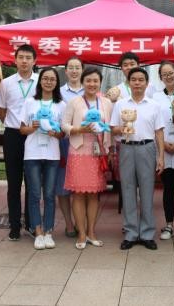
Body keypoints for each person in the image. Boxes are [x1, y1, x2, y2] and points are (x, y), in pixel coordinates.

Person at [110, 67, 165, 250]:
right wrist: (123, 128)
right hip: (126, 148)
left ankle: (147, 233)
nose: (137, 83)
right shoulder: (120, 104)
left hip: (147, 148)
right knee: (127, 190)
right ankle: (131, 232)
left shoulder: (154, 105)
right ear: (129, 82)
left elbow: (159, 132)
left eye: (141, 80)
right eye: (134, 80)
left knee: (147, 191)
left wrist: (161, 156)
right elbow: (113, 129)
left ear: (147, 83)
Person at [61, 67, 113, 249]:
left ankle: (91, 232)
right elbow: (64, 125)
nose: (92, 84)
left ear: (100, 83)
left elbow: (110, 127)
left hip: (98, 153)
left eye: (95, 81)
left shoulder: (106, 102)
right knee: (78, 194)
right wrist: (79, 129)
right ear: (83, 83)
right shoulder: (74, 102)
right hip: (78, 152)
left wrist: (109, 149)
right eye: (88, 80)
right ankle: (81, 233)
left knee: (93, 194)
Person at [0, 44, 38, 241]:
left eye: (28, 58)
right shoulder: (6, 83)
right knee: (13, 183)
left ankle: (31, 223)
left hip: (34, 135)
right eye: (21, 57)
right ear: (15, 60)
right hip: (12, 135)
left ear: (34, 61)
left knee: (32, 182)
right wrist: (15, 125)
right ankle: (14, 225)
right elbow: (1, 111)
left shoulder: (41, 81)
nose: (24, 61)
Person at [20, 67, 66, 250]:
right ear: (40, 82)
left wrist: (56, 133)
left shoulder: (61, 105)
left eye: (52, 79)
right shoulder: (30, 102)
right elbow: (22, 129)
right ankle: (37, 232)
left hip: (52, 155)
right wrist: (32, 128)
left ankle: (48, 232)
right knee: (34, 194)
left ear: (56, 83)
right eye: (45, 78)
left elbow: (63, 133)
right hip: (32, 154)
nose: (48, 82)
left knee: (49, 194)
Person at [152, 61, 174, 240]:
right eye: (164, 74)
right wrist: (164, 144)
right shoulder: (156, 97)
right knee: (167, 188)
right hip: (163, 147)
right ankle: (168, 225)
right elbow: (153, 122)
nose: (168, 76)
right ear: (160, 77)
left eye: (171, 73)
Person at [58, 57, 84, 238]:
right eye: (71, 68)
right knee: (62, 185)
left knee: (82, 185)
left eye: (77, 68)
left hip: (83, 143)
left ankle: (82, 224)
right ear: (66, 71)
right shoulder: (58, 93)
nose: (74, 71)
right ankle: (69, 223)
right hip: (63, 142)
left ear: (82, 70)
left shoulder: (90, 89)